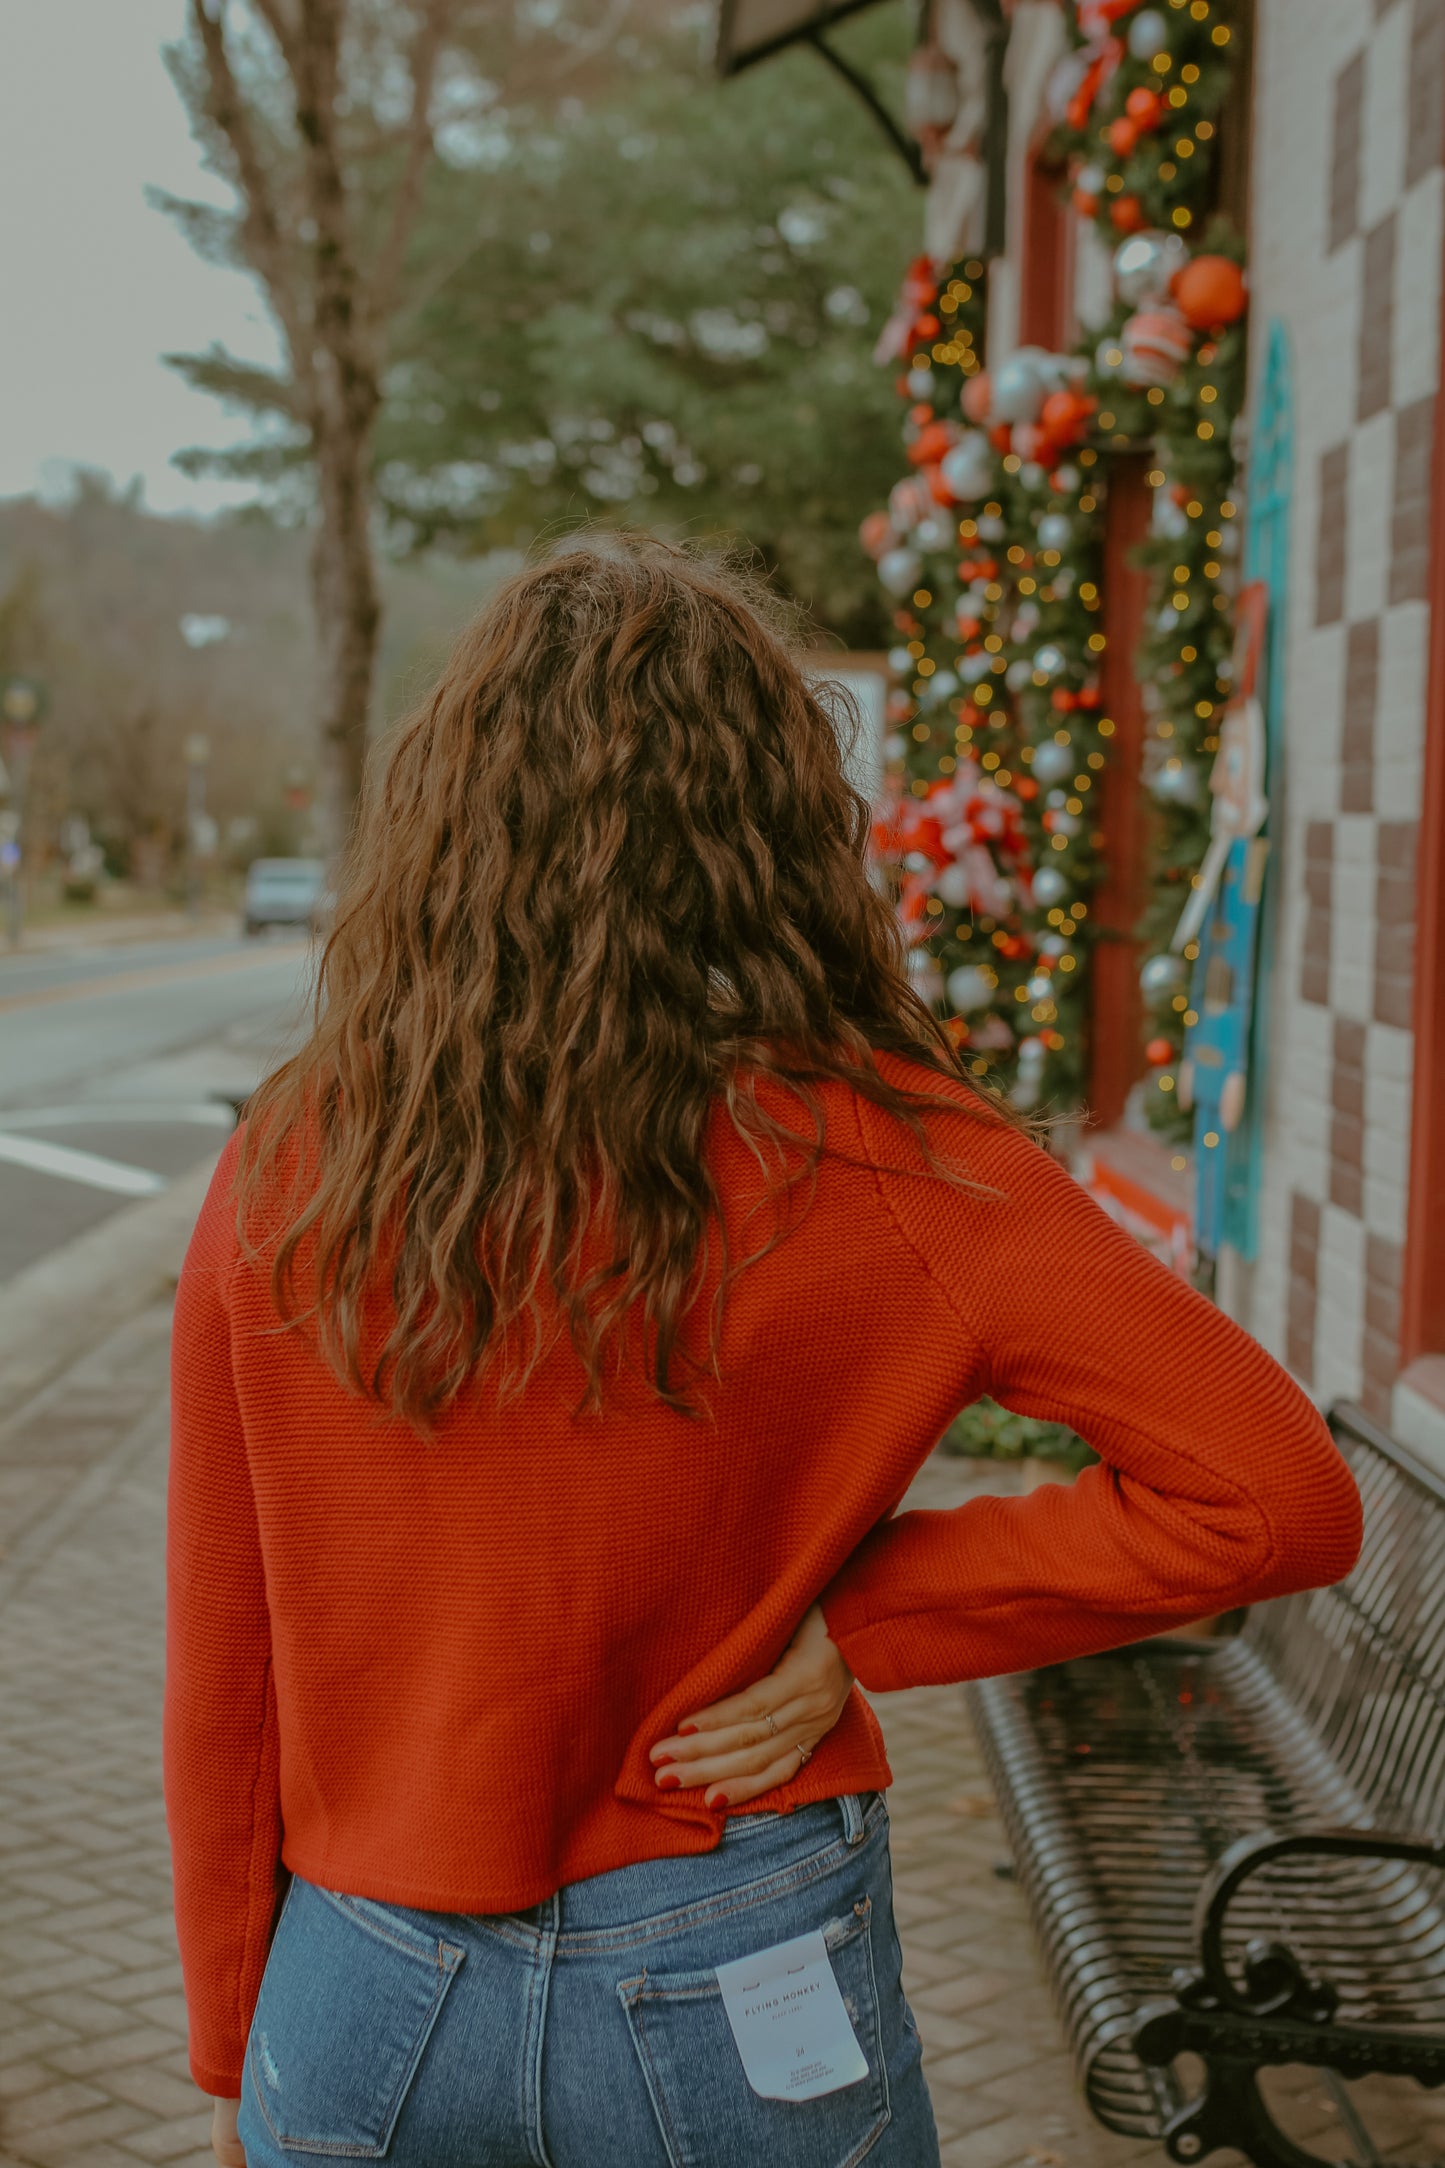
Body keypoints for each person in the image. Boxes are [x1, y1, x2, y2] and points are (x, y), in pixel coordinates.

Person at [164, 539, 1362, 2168]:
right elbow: (1272, 1497)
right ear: (778, 825)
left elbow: (222, 1651)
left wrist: (243, 2038)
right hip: (734, 1948)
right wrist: (864, 1616)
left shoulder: (296, 1157)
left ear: (446, 820)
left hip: (364, 1982)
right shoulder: (894, 1158)